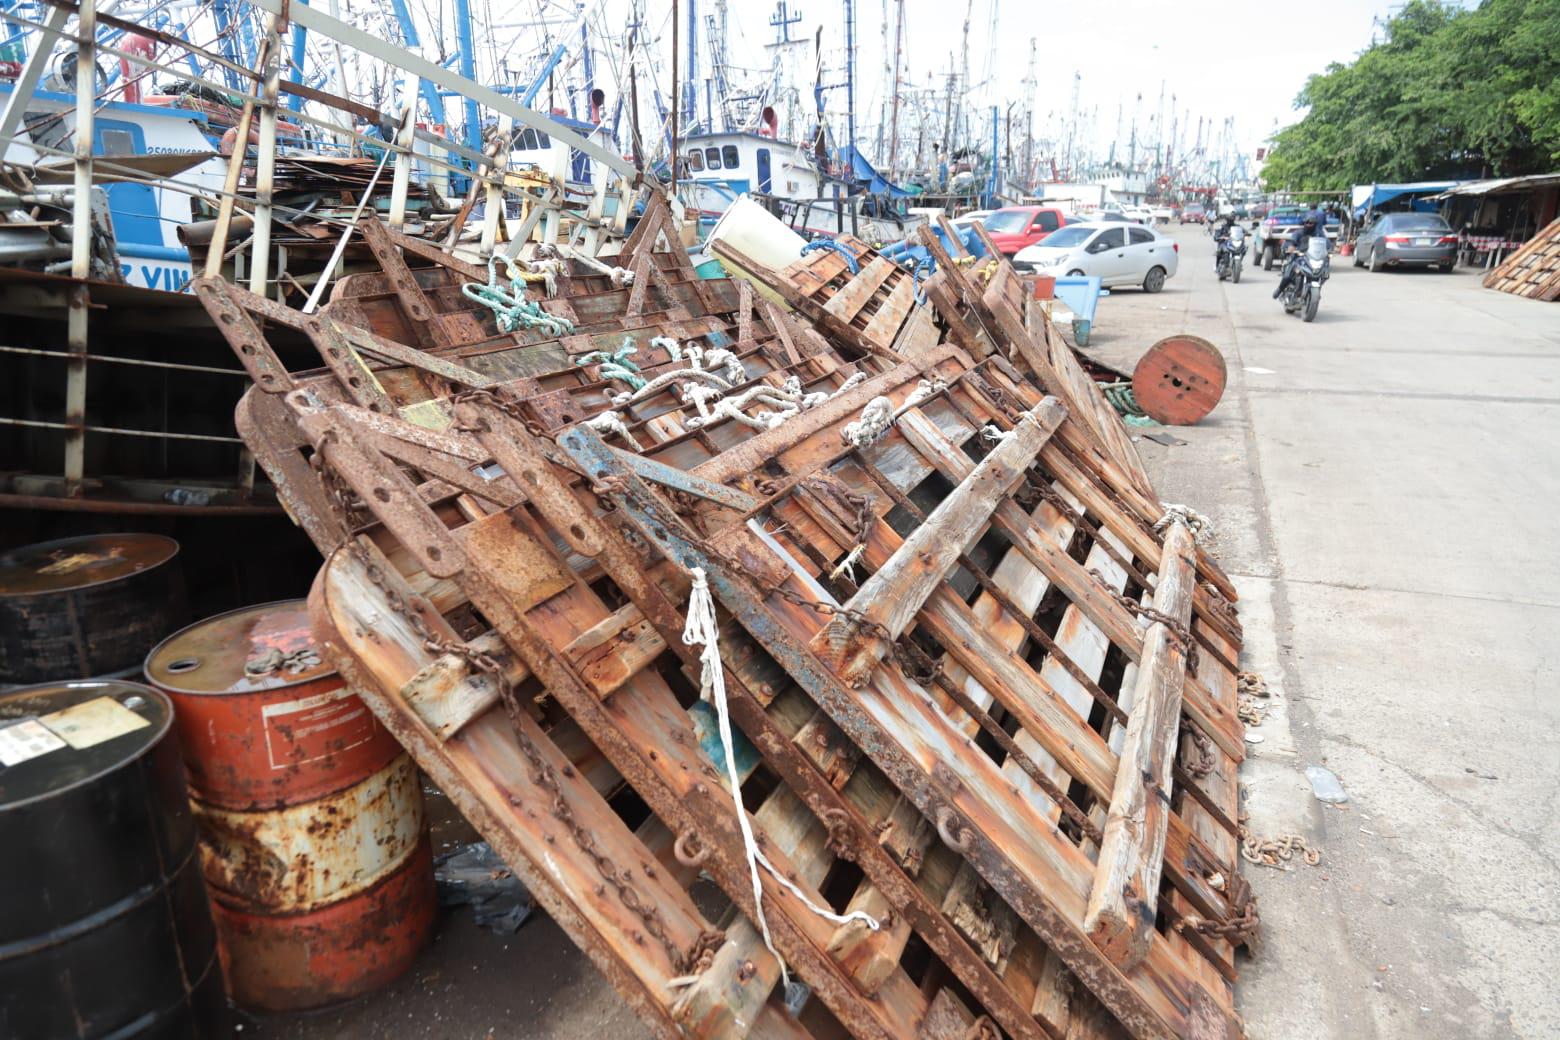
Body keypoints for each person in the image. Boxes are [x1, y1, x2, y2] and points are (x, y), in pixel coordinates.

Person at [1273, 215, 1320, 299]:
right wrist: (1291, 247)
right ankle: (1280, 289)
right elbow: (1292, 241)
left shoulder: (1318, 234)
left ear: (1315, 224)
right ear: (1304, 223)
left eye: (1311, 223)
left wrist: (1330, 248)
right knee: (1288, 275)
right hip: (1298, 257)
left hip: (1311, 259)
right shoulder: (1299, 233)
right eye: (1307, 223)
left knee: (1321, 272)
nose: (1309, 224)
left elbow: (1326, 242)